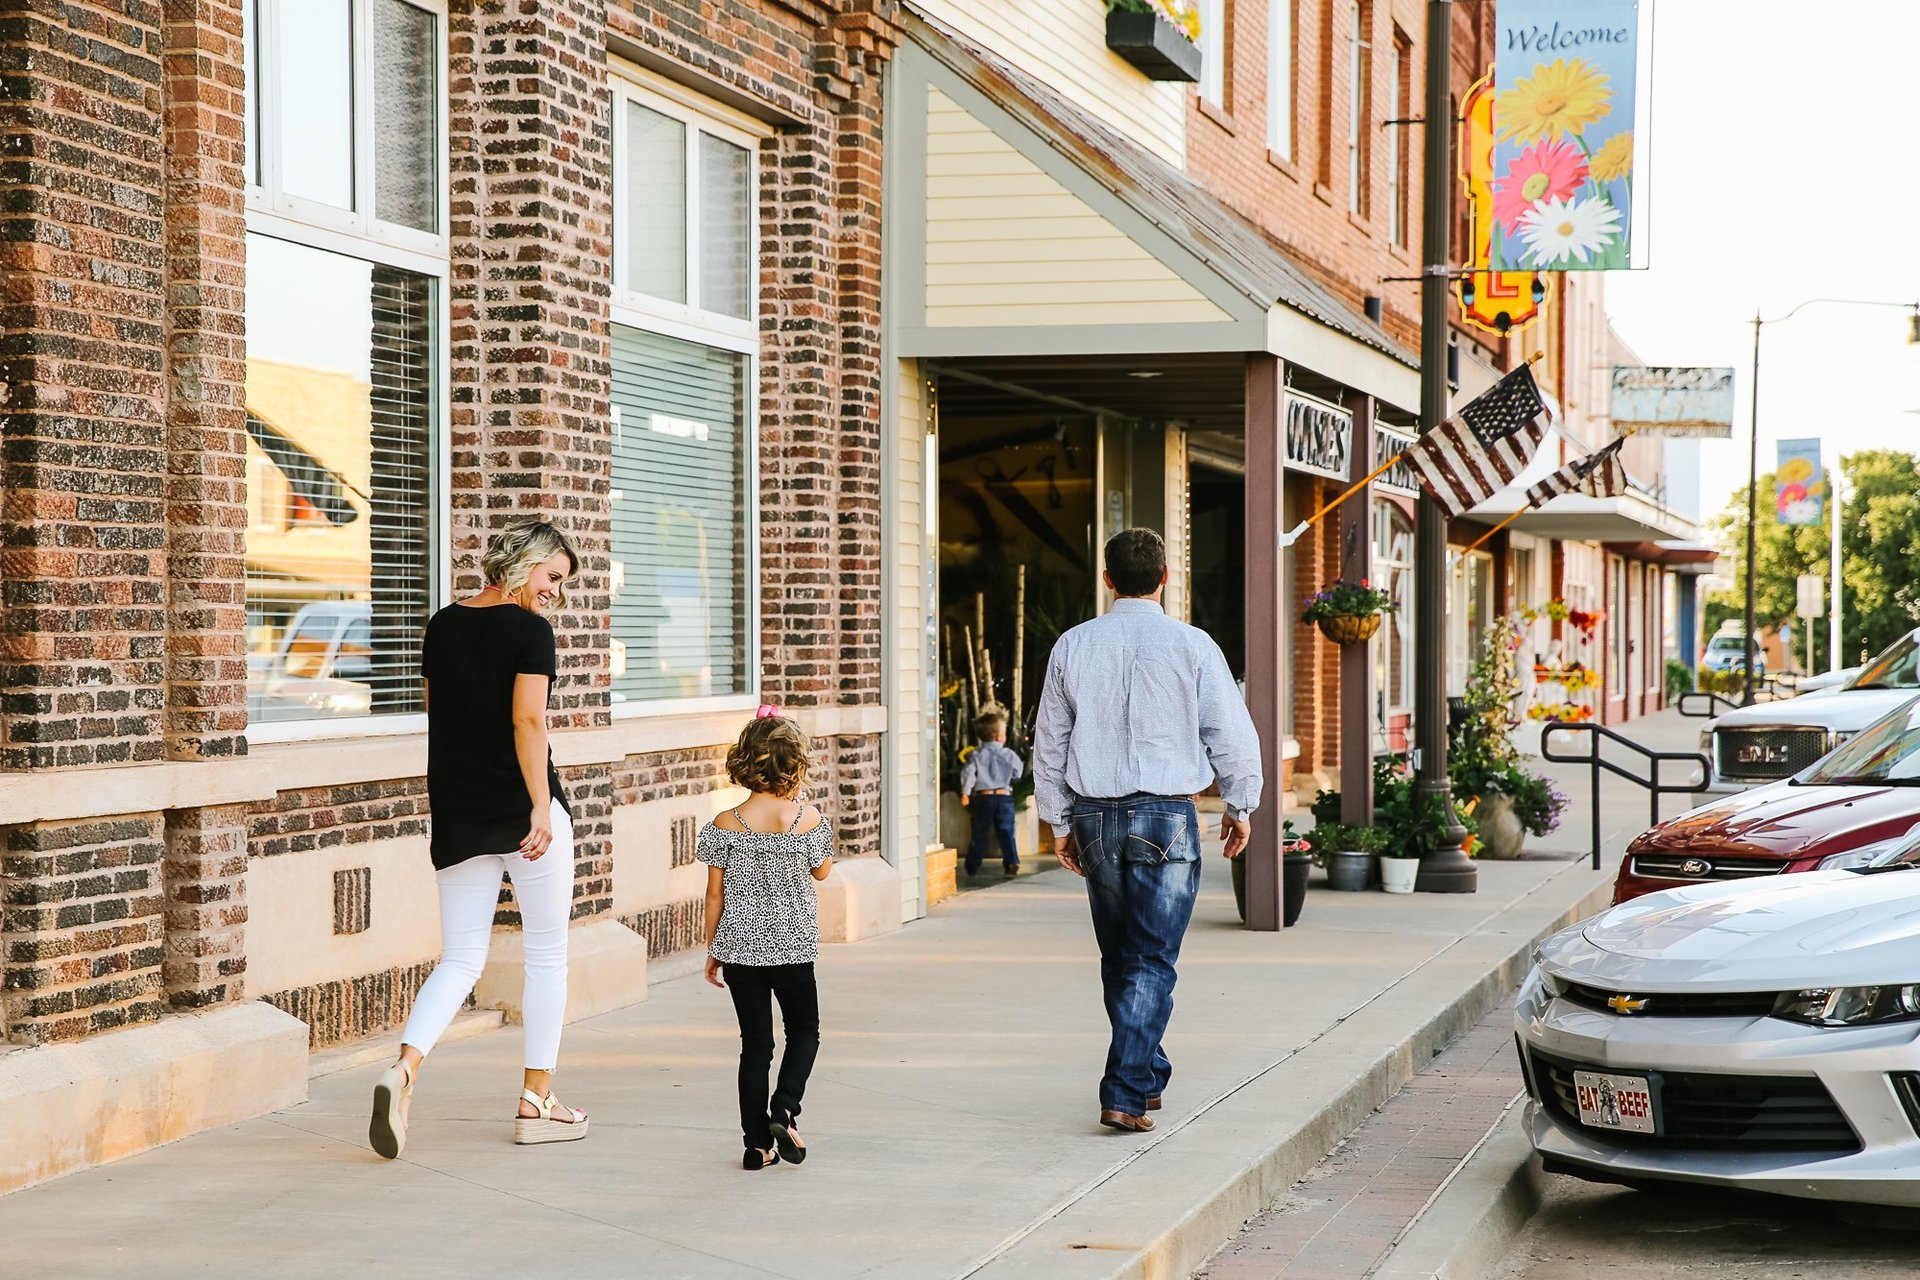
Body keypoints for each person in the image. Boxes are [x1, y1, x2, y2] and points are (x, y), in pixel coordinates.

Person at [369, 518, 589, 1159]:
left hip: (460, 810)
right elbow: (527, 719)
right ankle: (536, 1100)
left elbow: (442, 716)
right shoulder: (529, 632)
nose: (554, 593)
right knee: (547, 954)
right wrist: (541, 807)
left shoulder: (442, 624)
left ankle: (404, 1069)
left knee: (460, 957)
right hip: (523, 810)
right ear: (525, 564)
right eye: (552, 578)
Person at [1032, 528, 1262, 1134]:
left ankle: (1146, 1066)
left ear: (1107, 579)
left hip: (1095, 816)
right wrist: (1241, 805)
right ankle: (1126, 1090)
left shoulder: (1073, 646)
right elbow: (1231, 733)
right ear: (1165, 578)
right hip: (1165, 815)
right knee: (1152, 960)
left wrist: (1058, 821)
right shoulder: (1193, 646)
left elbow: (1049, 742)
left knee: (1123, 957)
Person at [701, 710, 836, 1170]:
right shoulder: (808, 818)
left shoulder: (725, 822)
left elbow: (714, 893)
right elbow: (821, 871)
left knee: (755, 1046)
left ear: (745, 762)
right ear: (797, 765)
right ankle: (786, 1107)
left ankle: (756, 1145)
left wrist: (713, 949)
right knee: (805, 1032)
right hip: (794, 951)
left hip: (740, 951)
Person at [959, 707, 1025, 877]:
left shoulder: (975, 755)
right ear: (998, 735)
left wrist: (966, 793)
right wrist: (1011, 777)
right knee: (1006, 831)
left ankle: (972, 866)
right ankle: (1011, 861)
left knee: (979, 832)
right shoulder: (1009, 754)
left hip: (984, 798)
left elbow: (969, 774)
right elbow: (1018, 771)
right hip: (1004, 797)